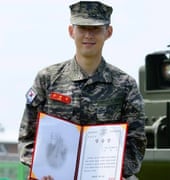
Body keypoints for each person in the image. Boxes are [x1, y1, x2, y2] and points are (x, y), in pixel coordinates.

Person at [18, 1, 147, 180]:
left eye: (95, 29)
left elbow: (137, 141)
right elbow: (27, 135)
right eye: (82, 28)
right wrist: (42, 167)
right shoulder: (47, 79)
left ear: (108, 33)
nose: (88, 35)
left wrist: (118, 173)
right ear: (71, 31)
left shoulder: (125, 85)